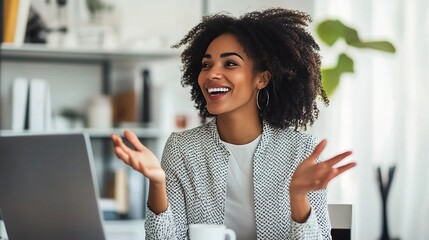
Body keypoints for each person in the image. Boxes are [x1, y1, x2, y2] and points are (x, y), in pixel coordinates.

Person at [111, 8, 356, 240]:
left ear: (262, 78)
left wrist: (299, 197)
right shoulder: (182, 148)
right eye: (206, 64)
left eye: (230, 63)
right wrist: (157, 183)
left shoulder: (302, 152)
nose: (211, 74)